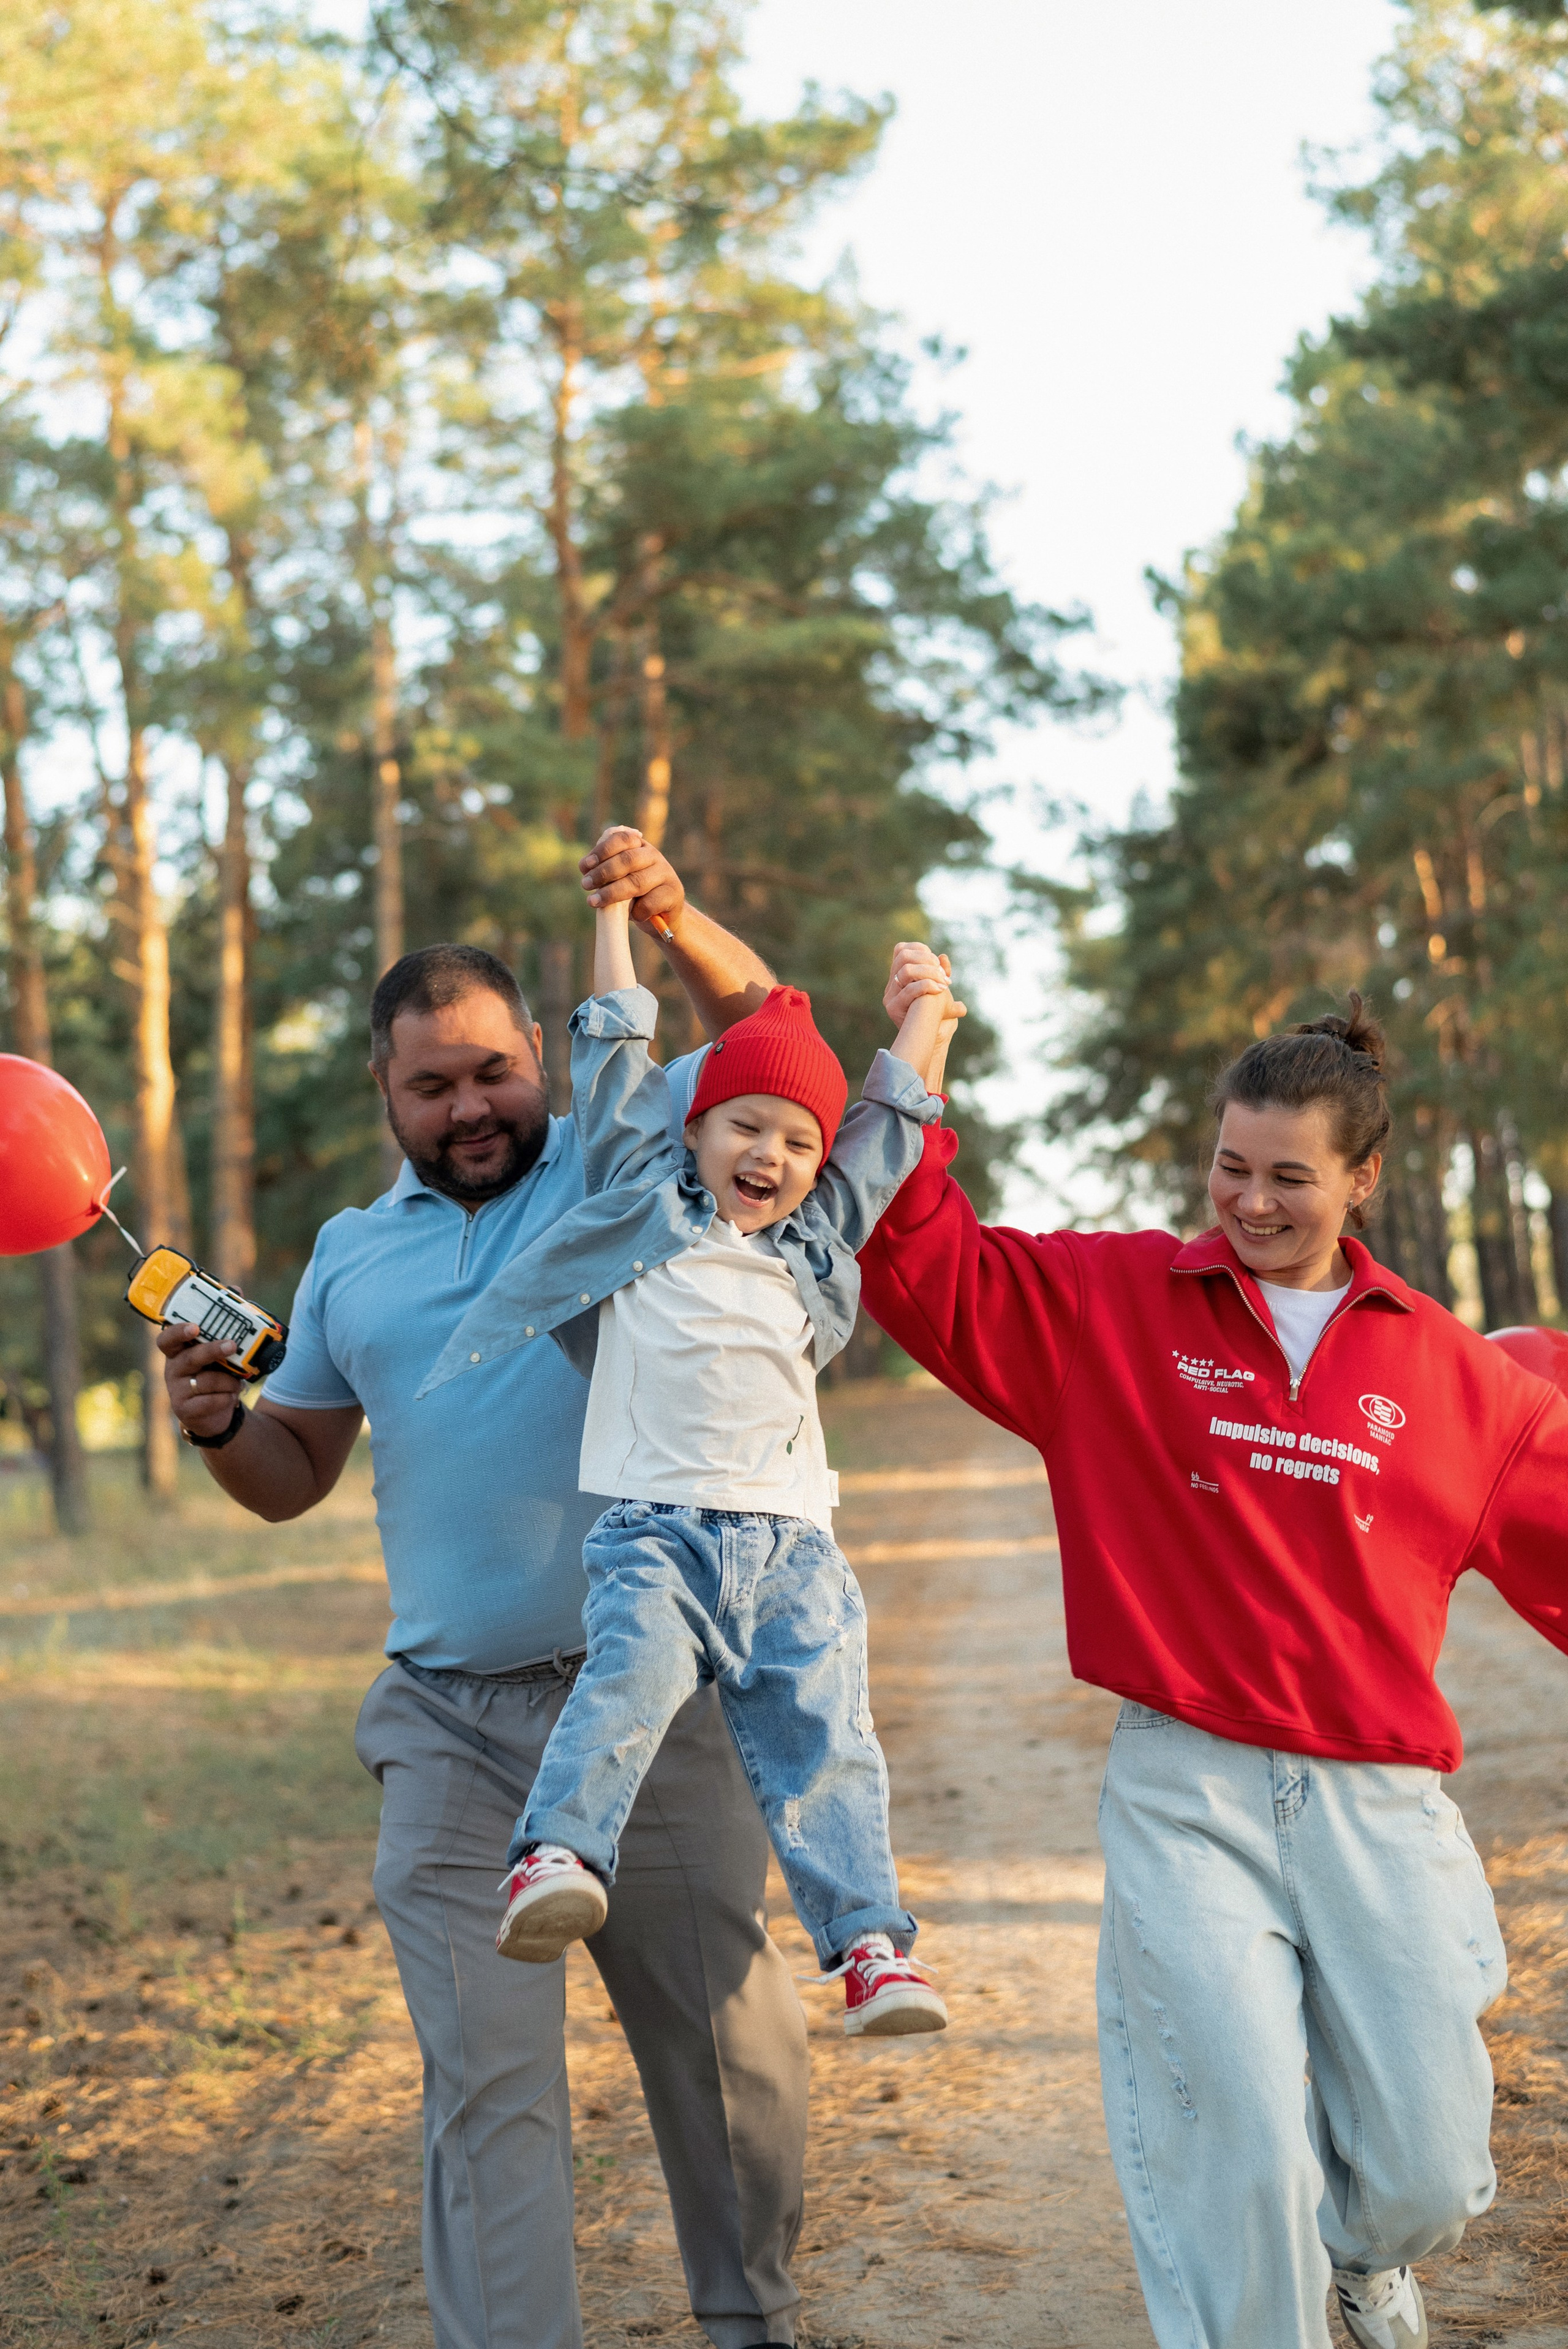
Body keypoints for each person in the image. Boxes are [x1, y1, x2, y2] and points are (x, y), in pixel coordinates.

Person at [156, 831, 814, 2349]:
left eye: (490, 1072)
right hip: (447, 1732)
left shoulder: (630, 1165)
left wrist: (666, 917)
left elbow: (776, 1043)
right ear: (386, 1098)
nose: (467, 1109)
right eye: (429, 1086)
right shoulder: (347, 1257)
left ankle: (751, 2319)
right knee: (485, 2092)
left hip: (645, 1703)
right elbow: (293, 1469)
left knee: (730, 2056)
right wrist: (216, 1429)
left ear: (543, 1053)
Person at [859, 956, 1568, 2349]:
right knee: (1235, 2144)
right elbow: (922, 1258)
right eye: (1227, 1168)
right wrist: (918, 1052)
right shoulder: (1111, 1305)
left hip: (1376, 1802)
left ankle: (1369, 2262)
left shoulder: (1450, 1374)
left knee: (1424, 2169)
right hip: (1186, 1788)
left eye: (1286, 1178)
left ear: (1360, 1182)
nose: (1247, 1201)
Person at [418, 893, 954, 2037]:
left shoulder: (815, 1240)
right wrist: (614, 912)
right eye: (746, 1126)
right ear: (695, 1130)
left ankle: (868, 1945)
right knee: (626, 1685)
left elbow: (888, 1130)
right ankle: (557, 1854)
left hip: (795, 1546)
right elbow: (613, 1048)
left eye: (799, 1141)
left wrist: (926, 1018)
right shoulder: (640, 1200)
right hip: (658, 1530)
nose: (772, 1154)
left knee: (828, 1740)